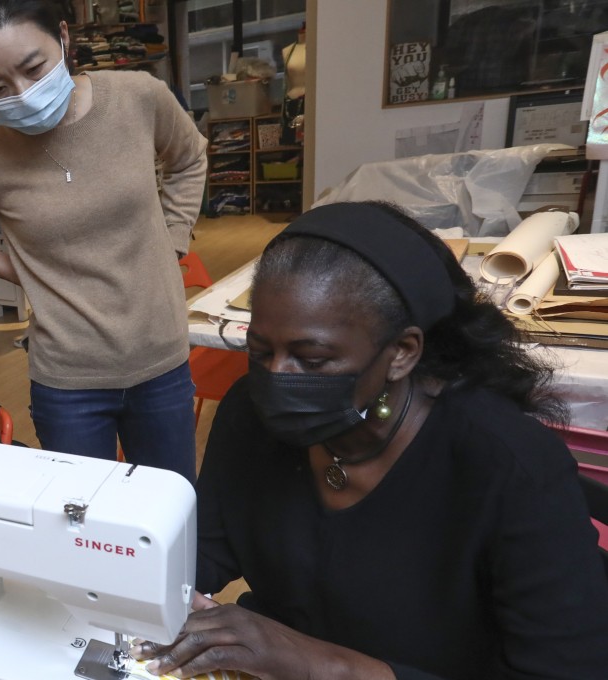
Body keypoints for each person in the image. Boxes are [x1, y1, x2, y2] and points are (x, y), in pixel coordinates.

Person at [132, 202, 608, 679]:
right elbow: (208, 549)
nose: (277, 377)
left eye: (312, 359)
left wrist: (323, 665)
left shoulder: (509, 465)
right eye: (259, 351)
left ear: (401, 353)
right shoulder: (250, 413)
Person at [0, 0, 207, 483]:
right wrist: (10, 266)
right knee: (82, 541)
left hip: (160, 362)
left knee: (170, 525)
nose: (24, 94)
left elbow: (189, 158)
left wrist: (174, 237)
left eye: (34, 68)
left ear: (63, 37)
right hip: (68, 384)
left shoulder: (139, 96)